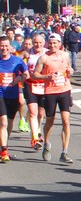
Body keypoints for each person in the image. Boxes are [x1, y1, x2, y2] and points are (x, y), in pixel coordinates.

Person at [31, 33, 74, 163]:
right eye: (50, 43)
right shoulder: (44, 58)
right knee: (50, 120)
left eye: (55, 43)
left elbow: (69, 69)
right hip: (50, 92)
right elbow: (35, 74)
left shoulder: (65, 55)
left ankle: (64, 152)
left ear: (59, 44)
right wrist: (47, 77)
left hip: (65, 90)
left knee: (66, 121)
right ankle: (46, 143)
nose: (52, 45)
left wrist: (70, 71)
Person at [0, 37, 26, 162]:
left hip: (13, 95)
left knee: (9, 123)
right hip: (1, 95)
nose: (4, 48)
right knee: (3, 122)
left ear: (10, 47)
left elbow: (26, 73)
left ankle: (3, 146)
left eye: (6, 46)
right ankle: (4, 150)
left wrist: (21, 78)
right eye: (1, 46)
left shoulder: (17, 61)